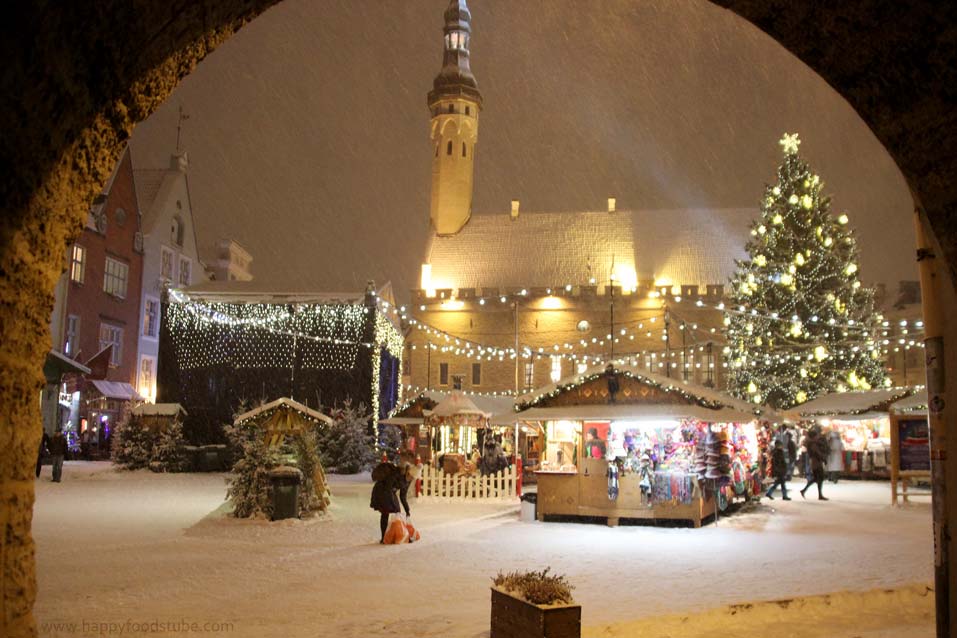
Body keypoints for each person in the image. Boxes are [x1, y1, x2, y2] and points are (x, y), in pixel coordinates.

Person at [370, 461, 402, 543]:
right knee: (386, 513)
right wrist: (394, 506)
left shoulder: (394, 473)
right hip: (382, 493)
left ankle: (385, 536)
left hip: (380, 492)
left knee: (386, 513)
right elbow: (388, 490)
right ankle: (385, 537)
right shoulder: (394, 475)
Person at [800, 426, 829, 500]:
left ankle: (805, 490)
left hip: (814, 462)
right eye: (816, 436)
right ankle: (818, 494)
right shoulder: (813, 444)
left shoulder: (811, 443)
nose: (817, 437)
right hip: (816, 463)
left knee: (817, 479)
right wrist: (823, 458)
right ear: (814, 437)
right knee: (819, 478)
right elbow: (817, 453)